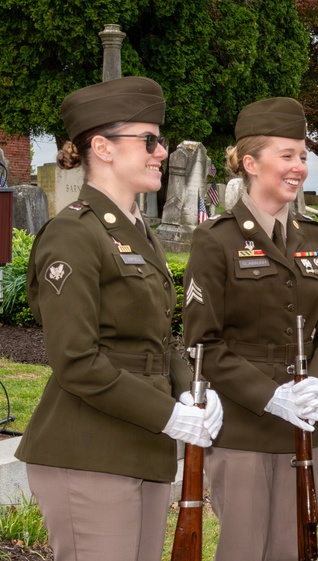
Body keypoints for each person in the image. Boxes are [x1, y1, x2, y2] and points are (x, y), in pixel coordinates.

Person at [15, 76, 223, 561]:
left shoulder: (136, 231)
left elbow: (152, 341)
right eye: (149, 140)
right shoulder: (74, 234)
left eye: (161, 140)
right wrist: (169, 414)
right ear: (103, 147)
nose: (161, 151)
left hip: (139, 446)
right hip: (87, 452)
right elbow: (77, 361)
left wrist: (196, 395)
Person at [182, 97, 318, 561]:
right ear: (252, 163)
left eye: (303, 156)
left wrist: (316, 382)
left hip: (307, 424)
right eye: (287, 156)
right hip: (245, 426)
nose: (299, 167)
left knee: (296, 548)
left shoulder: (315, 237)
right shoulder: (215, 240)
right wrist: (270, 396)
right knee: (245, 548)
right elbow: (201, 344)